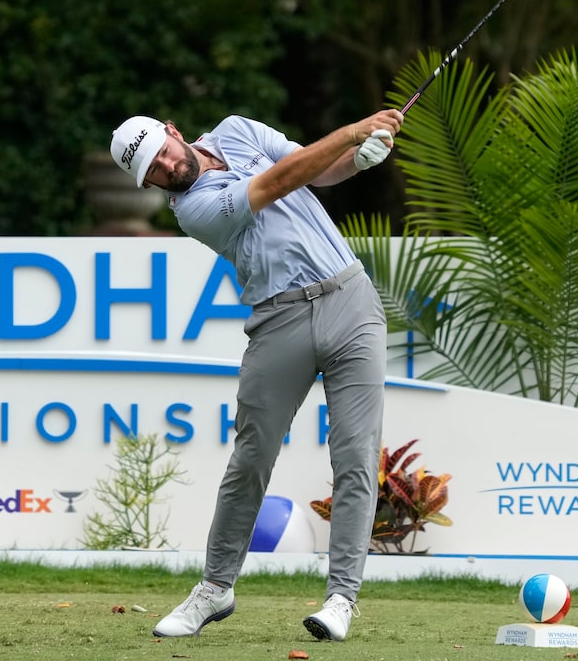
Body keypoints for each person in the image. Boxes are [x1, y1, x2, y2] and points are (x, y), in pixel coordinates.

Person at [107, 109, 402, 642]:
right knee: (251, 457)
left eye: (163, 152)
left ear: (173, 130)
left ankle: (341, 598)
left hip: (350, 301)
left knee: (356, 455)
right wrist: (352, 131)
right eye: (152, 171)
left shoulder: (237, 130)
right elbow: (277, 182)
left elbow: (313, 170)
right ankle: (215, 588)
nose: (166, 168)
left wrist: (355, 160)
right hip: (278, 319)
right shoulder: (192, 209)